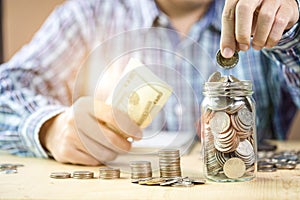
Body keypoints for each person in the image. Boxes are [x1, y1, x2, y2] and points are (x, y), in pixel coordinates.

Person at [0, 0, 299, 166]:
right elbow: (7, 86)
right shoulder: (88, 13)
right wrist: (49, 128)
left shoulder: (269, 10)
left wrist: (291, 31)